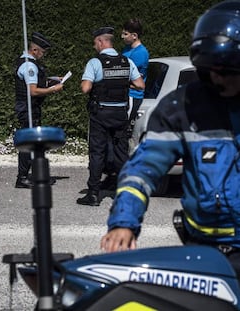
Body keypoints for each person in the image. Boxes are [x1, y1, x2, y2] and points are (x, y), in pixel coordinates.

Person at [100, 0, 240, 275]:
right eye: (212, 70)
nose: (218, 79)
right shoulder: (182, 108)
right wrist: (124, 222)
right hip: (206, 251)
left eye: (228, 71)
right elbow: (142, 168)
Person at [77, 26, 145, 206]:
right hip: (120, 114)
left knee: (97, 152)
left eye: (95, 43)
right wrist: (123, 85)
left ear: (100, 41)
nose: (94, 47)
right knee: (121, 153)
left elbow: (85, 88)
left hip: (101, 114)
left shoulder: (95, 62)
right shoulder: (126, 61)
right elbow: (140, 85)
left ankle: (93, 194)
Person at [99, 18, 150, 192]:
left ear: (134, 36)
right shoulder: (128, 50)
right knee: (112, 135)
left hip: (132, 97)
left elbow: (127, 76)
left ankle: (118, 176)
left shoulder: (141, 53)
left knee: (119, 136)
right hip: (123, 96)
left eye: (125, 34)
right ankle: (113, 173)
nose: (122, 36)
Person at [14, 32, 64, 189]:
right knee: (28, 142)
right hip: (28, 108)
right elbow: (33, 91)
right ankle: (22, 178)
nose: (44, 55)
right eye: (43, 52)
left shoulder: (28, 62)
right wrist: (54, 89)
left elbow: (37, 83)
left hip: (30, 108)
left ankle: (37, 175)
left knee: (35, 142)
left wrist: (52, 80)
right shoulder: (29, 66)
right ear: (35, 50)